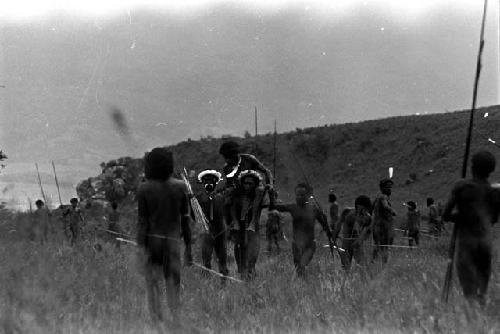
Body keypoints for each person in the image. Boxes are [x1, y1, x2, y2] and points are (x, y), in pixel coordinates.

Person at [136, 147, 193, 324]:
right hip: (173, 242)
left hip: (152, 242)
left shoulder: (144, 189)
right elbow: (185, 220)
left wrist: (140, 248)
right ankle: (175, 318)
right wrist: (189, 248)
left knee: (152, 282)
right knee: (173, 282)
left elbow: (143, 222)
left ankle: (156, 319)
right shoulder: (181, 187)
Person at [442, 151, 500, 306]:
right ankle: (480, 323)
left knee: (470, 293)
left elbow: (445, 215)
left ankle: (472, 324)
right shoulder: (495, 192)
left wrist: (461, 216)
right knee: (482, 291)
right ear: (491, 170)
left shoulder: (461, 187)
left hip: (467, 244)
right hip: (485, 244)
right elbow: (493, 219)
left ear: (472, 167)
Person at [270, 183, 333, 277]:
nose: (299, 197)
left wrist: (329, 232)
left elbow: (325, 224)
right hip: (296, 244)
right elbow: (275, 207)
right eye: (297, 195)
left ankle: (304, 285)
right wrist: (271, 196)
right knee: (298, 269)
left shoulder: (314, 209)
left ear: (308, 195)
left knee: (302, 264)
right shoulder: (293, 207)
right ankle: (302, 287)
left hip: (309, 245)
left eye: (302, 195)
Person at [219, 141, 273, 231]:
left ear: (235, 155)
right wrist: (227, 191)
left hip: (254, 189)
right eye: (225, 158)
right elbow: (229, 184)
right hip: (240, 191)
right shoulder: (227, 168)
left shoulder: (249, 159)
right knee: (228, 196)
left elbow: (267, 171)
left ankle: (252, 222)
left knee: (259, 190)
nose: (227, 160)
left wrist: (270, 184)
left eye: (228, 157)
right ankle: (233, 223)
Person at [229, 170, 266, 279]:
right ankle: (241, 271)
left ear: (255, 184)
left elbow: (265, 206)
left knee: (252, 252)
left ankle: (251, 272)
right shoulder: (238, 195)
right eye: (245, 183)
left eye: (250, 183)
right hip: (240, 227)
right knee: (239, 248)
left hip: (253, 228)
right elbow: (233, 209)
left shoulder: (259, 194)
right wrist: (235, 222)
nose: (247, 186)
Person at [195, 170, 229, 278]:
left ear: (216, 183)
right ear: (202, 183)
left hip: (220, 231)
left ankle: (224, 281)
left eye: (211, 181)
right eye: (206, 181)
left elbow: (228, 210)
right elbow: (193, 213)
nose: (208, 183)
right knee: (206, 258)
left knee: (222, 257)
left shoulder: (222, 196)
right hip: (207, 232)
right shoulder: (198, 198)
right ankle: (206, 283)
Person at [333, 195, 372, 270]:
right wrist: (334, 236)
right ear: (358, 206)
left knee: (362, 266)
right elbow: (338, 224)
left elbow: (366, 232)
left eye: (366, 209)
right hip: (346, 243)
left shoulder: (368, 218)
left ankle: (364, 280)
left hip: (357, 244)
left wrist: (359, 240)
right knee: (345, 267)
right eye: (363, 208)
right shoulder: (347, 211)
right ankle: (345, 280)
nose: (365, 211)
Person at [372, 178, 396, 263]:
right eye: (387, 187)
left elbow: (371, 208)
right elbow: (385, 205)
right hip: (383, 227)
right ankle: (384, 265)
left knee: (378, 246)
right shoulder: (383, 197)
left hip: (376, 226)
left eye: (390, 187)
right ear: (382, 188)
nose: (390, 189)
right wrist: (392, 210)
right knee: (385, 247)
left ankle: (373, 262)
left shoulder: (377, 198)